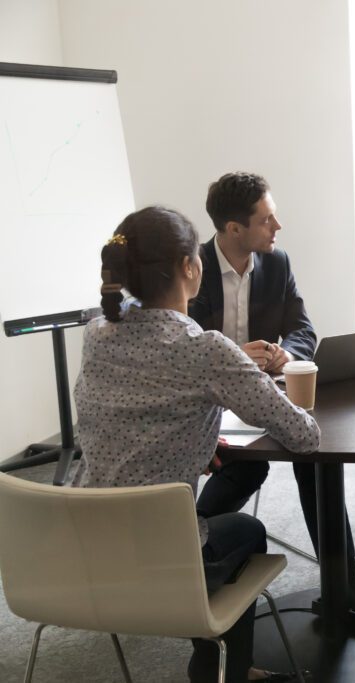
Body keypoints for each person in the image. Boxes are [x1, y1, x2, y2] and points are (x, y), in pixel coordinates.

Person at [73, 206, 320, 683]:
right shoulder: (203, 349)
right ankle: (225, 670)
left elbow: (126, 415)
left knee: (205, 520)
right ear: (190, 267)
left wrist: (191, 441)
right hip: (158, 566)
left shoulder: (96, 334)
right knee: (245, 531)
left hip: (84, 557)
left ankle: (211, 663)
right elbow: (304, 436)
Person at [189, 172, 355, 616]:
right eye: (267, 219)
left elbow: (304, 328)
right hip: (210, 405)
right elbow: (187, 347)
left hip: (265, 397)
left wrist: (286, 353)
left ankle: (347, 578)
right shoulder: (193, 273)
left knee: (312, 458)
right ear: (233, 230)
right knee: (246, 471)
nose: (277, 227)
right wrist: (231, 357)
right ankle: (189, 545)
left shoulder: (277, 262)